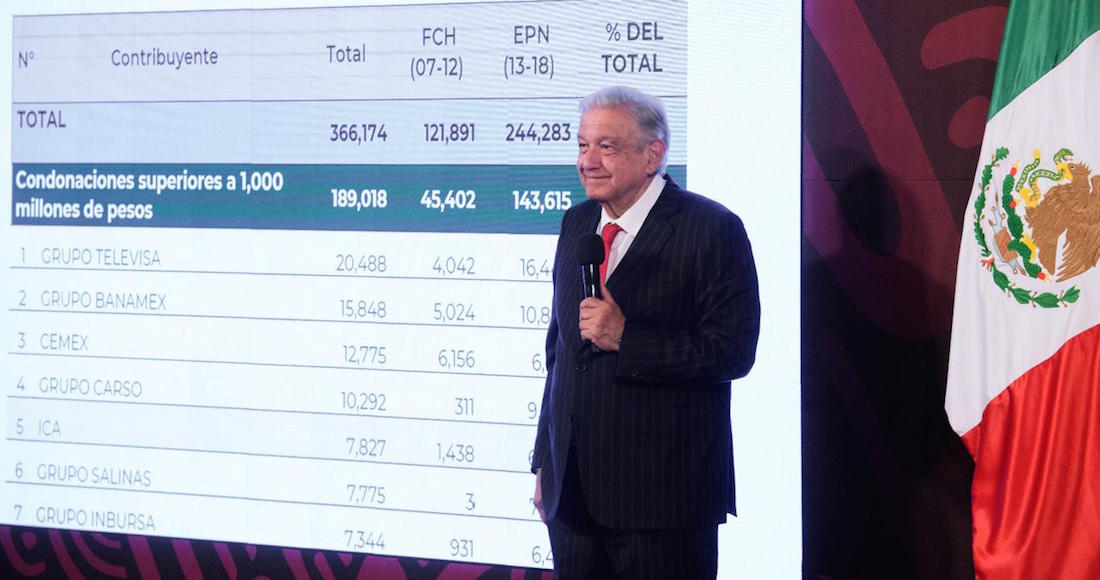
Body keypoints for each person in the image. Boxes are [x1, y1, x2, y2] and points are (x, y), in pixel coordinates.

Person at [530, 86, 760, 579]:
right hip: (573, 501)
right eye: (582, 145)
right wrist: (545, 463)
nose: (587, 161)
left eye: (606, 147)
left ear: (652, 154)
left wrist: (625, 337)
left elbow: (732, 352)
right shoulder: (576, 223)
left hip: (663, 501)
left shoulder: (712, 229)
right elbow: (559, 354)